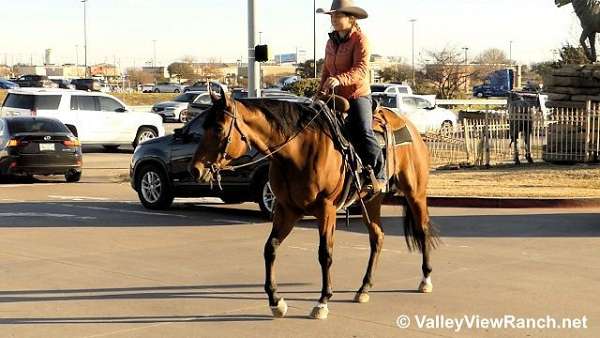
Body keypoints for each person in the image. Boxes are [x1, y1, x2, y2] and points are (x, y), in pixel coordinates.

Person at [317, 0, 385, 193]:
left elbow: (361, 70)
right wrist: (320, 93)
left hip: (357, 95)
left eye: (338, 15)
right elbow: (326, 70)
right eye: (332, 15)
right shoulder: (330, 42)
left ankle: (379, 175)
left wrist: (339, 79)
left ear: (351, 19)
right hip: (335, 96)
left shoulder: (360, 40)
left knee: (364, 131)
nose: (334, 19)